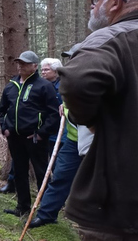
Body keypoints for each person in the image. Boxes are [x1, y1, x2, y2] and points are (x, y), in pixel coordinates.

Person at [58, 0, 138, 239]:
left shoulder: (111, 38)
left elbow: (77, 80)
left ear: (116, 2)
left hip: (123, 205)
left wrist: (88, 118)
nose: (92, 5)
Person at [0, 50, 60, 217]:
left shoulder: (44, 86)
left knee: (41, 172)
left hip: (35, 138)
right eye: (19, 63)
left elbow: (54, 114)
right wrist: (4, 127)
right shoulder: (11, 85)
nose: (20, 66)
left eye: (24, 63)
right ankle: (22, 207)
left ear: (34, 66)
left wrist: (41, 133)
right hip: (15, 138)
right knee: (19, 171)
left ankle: (44, 210)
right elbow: (2, 110)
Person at [28, 48, 84, 229]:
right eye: (70, 58)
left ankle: (91, 220)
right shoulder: (70, 79)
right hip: (74, 140)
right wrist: (65, 108)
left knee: (95, 180)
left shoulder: (95, 76)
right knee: (60, 175)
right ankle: (46, 214)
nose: (72, 61)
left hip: (97, 141)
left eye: (75, 57)